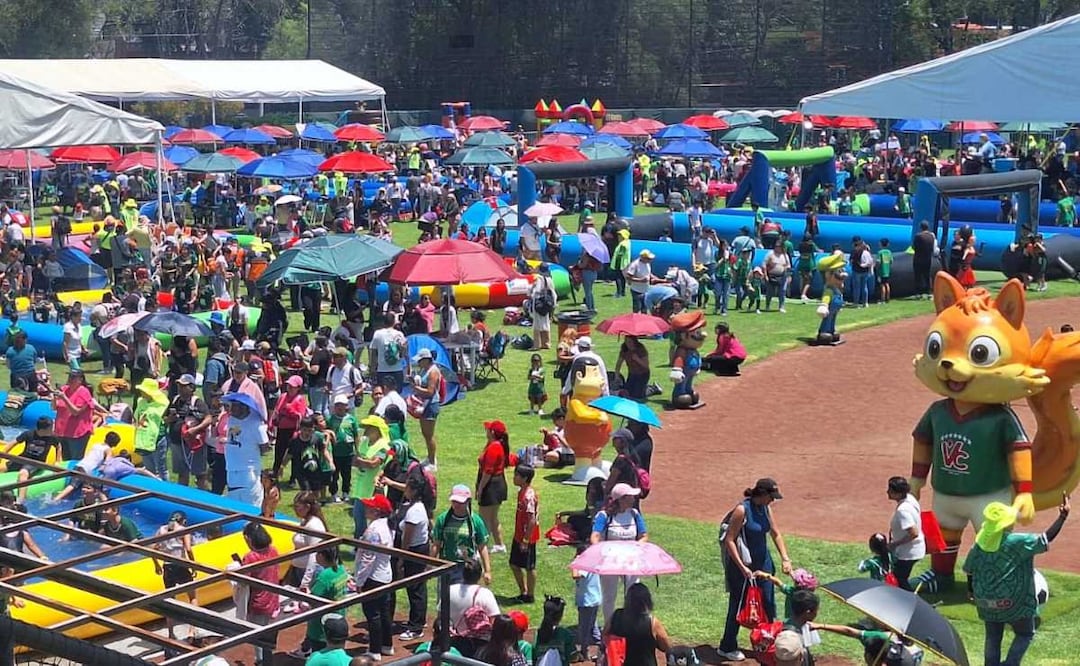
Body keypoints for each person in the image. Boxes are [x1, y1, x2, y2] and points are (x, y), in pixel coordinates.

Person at [964, 498, 1069, 666]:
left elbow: (969, 570)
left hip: (985, 602)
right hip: (1014, 603)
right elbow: (1045, 539)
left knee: (993, 637)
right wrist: (1062, 517)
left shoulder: (979, 544)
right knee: (1025, 634)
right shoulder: (1016, 541)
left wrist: (971, 590)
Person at [718, 478, 794, 662]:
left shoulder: (765, 509)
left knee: (768, 602)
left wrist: (785, 558)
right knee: (738, 604)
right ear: (762, 494)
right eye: (771, 496)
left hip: (764, 563)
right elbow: (729, 540)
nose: (773, 501)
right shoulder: (742, 510)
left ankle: (767, 642)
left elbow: (775, 533)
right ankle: (727, 646)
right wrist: (742, 567)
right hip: (742, 566)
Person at [591, 483, 647, 625]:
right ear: (621, 499)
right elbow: (595, 536)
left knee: (633, 593)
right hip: (610, 562)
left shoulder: (634, 514)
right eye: (630, 496)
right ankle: (610, 627)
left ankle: (632, 624)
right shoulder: (604, 516)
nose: (633, 499)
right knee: (609, 596)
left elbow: (643, 535)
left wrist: (638, 547)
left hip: (630, 560)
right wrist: (600, 552)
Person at [354, 494, 397, 661]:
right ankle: (387, 645)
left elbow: (367, 559)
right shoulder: (388, 526)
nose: (365, 508)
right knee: (385, 613)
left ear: (377, 511)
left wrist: (359, 581)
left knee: (372, 614)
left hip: (372, 578)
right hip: (385, 575)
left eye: (369, 506)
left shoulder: (374, 530)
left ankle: (374, 650)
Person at [431, 485, 492, 584]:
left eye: (460, 502)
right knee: (445, 598)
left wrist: (487, 571)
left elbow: (482, 547)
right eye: (454, 502)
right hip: (446, 566)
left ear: (468, 501)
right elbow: (436, 544)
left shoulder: (475, 521)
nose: (456, 505)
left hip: (467, 569)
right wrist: (431, 564)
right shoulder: (443, 519)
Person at [395, 475, 431, 641]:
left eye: (407, 487)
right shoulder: (417, 506)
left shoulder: (414, 511)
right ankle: (419, 620)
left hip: (414, 551)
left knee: (415, 588)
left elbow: (407, 538)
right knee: (418, 587)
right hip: (419, 550)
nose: (405, 489)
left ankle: (416, 627)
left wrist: (402, 558)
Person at [152, 511, 198, 642]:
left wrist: (156, 565)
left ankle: (171, 633)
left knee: (170, 601)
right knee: (192, 597)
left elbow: (153, 549)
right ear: (183, 521)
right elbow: (188, 549)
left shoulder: (161, 530)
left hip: (167, 567)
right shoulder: (183, 530)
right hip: (181, 566)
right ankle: (192, 629)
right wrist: (193, 565)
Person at [241, 522, 281, 666]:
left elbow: (243, 580)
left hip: (258, 602)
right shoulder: (273, 550)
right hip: (273, 598)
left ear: (249, 539)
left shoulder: (250, 557)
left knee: (257, 637)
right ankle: (267, 659)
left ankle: (261, 662)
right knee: (269, 634)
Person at [604, 583, 671, 666]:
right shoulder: (652, 622)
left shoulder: (616, 616)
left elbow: (605, 635)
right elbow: (666, 646)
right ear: (647, 600)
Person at [165, 374, 212, 490]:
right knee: (182, 473)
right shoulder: (175, 400)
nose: (180, 388)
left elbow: (208, 418)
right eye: (179, 385)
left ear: (192, 388)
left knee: (200, 475)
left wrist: (195, 430)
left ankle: (204, 499)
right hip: (177, 443)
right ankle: (182, 498)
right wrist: (170, 419)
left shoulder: (197, 402)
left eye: (183, 386)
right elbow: (165, 419)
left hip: (193, 445)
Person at [223, 396, 269, 508]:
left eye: (235, 406)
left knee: (251, 507)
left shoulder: (255, 424)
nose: (232, 409)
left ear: (244, 407)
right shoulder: (232, 419)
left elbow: (265, 446)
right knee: (233, 507)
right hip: (231, 470)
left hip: (248, 472)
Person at [351, 415, 391, 539]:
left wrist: (361, 461)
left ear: (377, 430)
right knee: (358, 515)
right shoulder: (364, 442)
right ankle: (359, 542)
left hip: (375, 489)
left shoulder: (383, 446)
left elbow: (374, 464)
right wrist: (361, 461)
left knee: (374, 518)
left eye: (370, 427)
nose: (366, 430)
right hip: (361, 487)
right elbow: (354, 460)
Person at [4, 417, 61, 503]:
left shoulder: (52, 437)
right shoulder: (29, 434)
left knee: (23, 473)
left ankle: (20, 500)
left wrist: (58, 461)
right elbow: (13, 443)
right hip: (23, 458)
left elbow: (58, 446)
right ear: (43, 429)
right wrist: (3, 454)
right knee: (2, 468)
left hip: (36, 462)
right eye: (51, 427)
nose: (53, 429)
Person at [885, 476, 925, 591]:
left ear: (897, 493)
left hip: (908, 553)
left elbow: (913, 533)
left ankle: (912, 602)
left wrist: (894, 544)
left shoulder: (903, 510)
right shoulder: (910, 498)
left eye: (890, 490)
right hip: (914, 550)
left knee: (899, 580)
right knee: (900, 578)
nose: (887, 492)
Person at [476, 420, 510, 554]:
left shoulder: (494, 448)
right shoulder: (495, 445)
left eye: (488, 430)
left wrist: (480, 488)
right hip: (497, 484)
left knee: (483, 519)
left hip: (491, 486)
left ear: (493, 433)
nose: (486, 431)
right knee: (493, 518)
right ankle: (499, 545)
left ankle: (481, 547)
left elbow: (487, 472)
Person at [509, 463, 539, 604]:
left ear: (525, 478)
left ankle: (530, 595)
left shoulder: (529, 496)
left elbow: (532, 519)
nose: (514, 477)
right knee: (514, 564)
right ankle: (523, 591)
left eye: (517, 475)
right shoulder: (521, 492)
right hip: (519, 535)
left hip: (527, 538)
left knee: (529, 566)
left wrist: (526, 540)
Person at [272, 374, 310, 485]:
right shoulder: (283, 396)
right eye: (289, 385)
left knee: (293, 454)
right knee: (278, 452)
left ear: (298, 388)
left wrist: (290, 411)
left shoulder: (300, 399)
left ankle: (293, 478)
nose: (289, 388)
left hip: (293, 430)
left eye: (292, 386)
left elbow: (301, 416)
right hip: (281, 429)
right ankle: (275, 474)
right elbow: (277, 410)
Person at [51, 369, 95, 461]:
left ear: (80, 380)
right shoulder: (64, 389)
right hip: (63, 432)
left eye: (73, 377)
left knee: (75, 460)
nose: (70, 379)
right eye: (70, 377)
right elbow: (54, 408)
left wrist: (64, 398)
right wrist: (54, 398)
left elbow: (75, 412)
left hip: (77, 433)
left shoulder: (84, 392)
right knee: (66, 460)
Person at [411, 349, 442, 467]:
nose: (418, 363)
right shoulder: (425, 370)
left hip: (430, 405)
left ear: (426, 360)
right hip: (424, 405)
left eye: (420, 360)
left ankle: (433, 461)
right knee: (425, 434)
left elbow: (430, 391)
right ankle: (429, 457)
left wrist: (416, 388)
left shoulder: (433, 372)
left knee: (429, 435)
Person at [572, 543, 602, 661]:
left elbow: (576, 576)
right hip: (593, 600)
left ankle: (584, 652)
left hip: (587, 602)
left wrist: (575, 563)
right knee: (593, 627)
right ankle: (604, 647)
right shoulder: (593, 562)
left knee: (584, 629)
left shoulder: (585, 564)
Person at [328, 396, 360, 502]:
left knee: (347, 474)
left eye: (342, 405)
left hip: (348, 452)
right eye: (337, 405)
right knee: (334, 474)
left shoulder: (351, 419)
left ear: (346, 406)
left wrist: (357, 450)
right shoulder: (331, 419)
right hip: (335, 452)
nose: (340, 407)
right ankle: (334, 493)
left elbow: (356, 435)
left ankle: (346, 492)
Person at [369, 313, 407, 390]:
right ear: (393, 322)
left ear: (383, 322)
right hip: (397, 369)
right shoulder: (399, 334)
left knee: (383, 393)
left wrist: (372, 368)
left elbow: (373, 352)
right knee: (397, 394)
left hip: (382, 369)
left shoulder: (377, 334)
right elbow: (403, 354)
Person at [528, 266, 557, 350]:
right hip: (547, 303)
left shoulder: (539, 279)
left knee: (537, 324)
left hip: (539, 303)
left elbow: (536, 291)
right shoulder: (549, 279)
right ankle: (546, 343)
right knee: (546, 322)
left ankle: (537, 345)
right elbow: (553, 292)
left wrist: (531, 288)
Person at [614, 336, 650, 402]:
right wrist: (617, 376)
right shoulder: (624, 349)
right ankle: (643, 388)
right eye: (626, 341)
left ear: (634, 342)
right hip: (632, 374)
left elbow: (646, 366)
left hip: (642, 374)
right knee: (627, 393)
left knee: (637, 396)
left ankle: (652, 389)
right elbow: (619, 364)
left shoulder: (641, 349)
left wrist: (637, 359)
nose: (628, 344)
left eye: (630, 342)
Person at [625, 250, 658, 314]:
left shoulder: (647, 263)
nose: (650, 260)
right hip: (636, 290)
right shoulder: (635, 265)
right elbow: (628, 277)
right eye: (648, 258)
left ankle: (643, 320)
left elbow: (648, 272)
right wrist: (640, 280)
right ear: (643, 258)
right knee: (637, 307)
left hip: (646, 289)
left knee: (645, 307)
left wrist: (653, 277)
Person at [912, 221, 936, 300]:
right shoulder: (931, 236)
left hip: (918, 258)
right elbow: (933, 248)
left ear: (921, 227)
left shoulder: (918, 236)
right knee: (927, 275)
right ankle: (929, 292)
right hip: (928, 258)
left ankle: (918, 293)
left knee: (918, 276)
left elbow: (914, 247)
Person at [876, 238, 893, 304]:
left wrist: (876, 267)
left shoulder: (880, 252)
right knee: (887, 284)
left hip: (881, 271)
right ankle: (888, 298)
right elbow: (891, 261)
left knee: (882, 285)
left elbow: (878, 262)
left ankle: (882, 299)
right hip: (887, 270)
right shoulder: (889, 252)